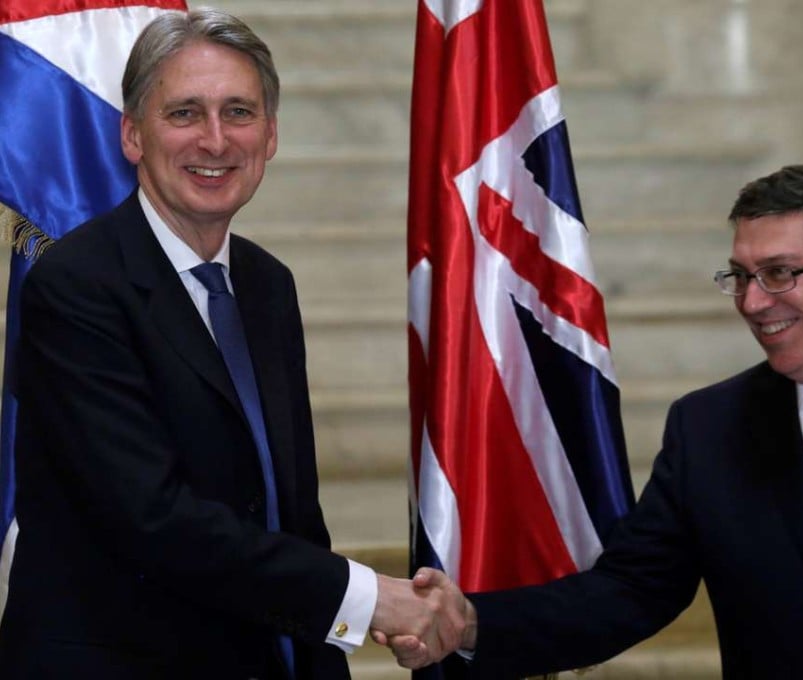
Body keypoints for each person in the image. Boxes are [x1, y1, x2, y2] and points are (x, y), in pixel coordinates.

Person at [386, 164, 803, 677]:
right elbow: (629, 593)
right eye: (740, 277)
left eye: (778, 274)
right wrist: (470, 622)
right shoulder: (710, 427)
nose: (751, 302)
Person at [0, 9, 465, 679]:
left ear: (270, 135)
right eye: (185, 113)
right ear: (132, 134)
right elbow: (151, 518)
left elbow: (290, 515)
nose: (215, 141)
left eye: (239, 113)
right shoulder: (74, 287)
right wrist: (368, 600)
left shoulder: (266, 284)